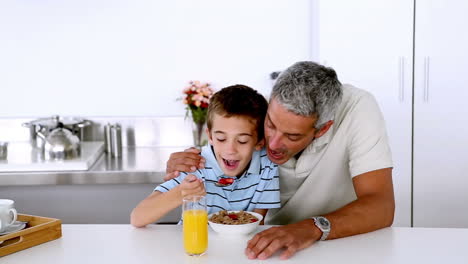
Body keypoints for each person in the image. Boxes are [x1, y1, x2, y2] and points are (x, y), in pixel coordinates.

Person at [165, 61, 395, 260]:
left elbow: (381, 206)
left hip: (339, 242)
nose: (273, 144)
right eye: (271, 125)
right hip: (266, 242)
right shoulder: (262, 108)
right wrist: (187, 161)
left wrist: (312, 227)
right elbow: (224, 149)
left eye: (292, 136)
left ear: (323, 129)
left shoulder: (358, 109)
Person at [130, 85, 280, 227]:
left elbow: (257, 224)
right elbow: (138, 218)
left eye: (242, 141)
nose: (230, 150)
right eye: (221, 139)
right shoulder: (195, 164)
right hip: (195, 247)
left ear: (259, 142)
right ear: (210, 136)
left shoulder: (266, 166)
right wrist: (181, 193)